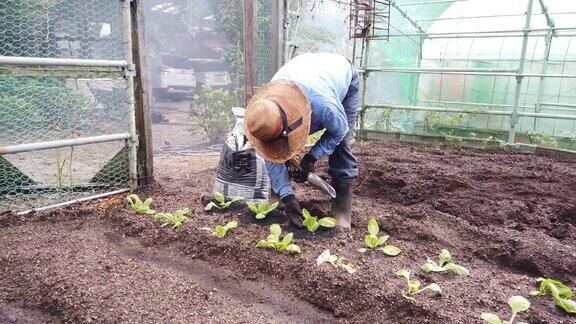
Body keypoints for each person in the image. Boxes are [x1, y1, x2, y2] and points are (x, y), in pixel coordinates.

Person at [244, 53, 360, 228]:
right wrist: (288, 197)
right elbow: (271, 155)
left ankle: (342, 212)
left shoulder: (324, 106)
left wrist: (311, 157)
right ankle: (280, 198)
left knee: (341, 146)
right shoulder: (265, 112)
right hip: (303, 71)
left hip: (340, 76)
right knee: (275, 151)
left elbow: (339, 131)